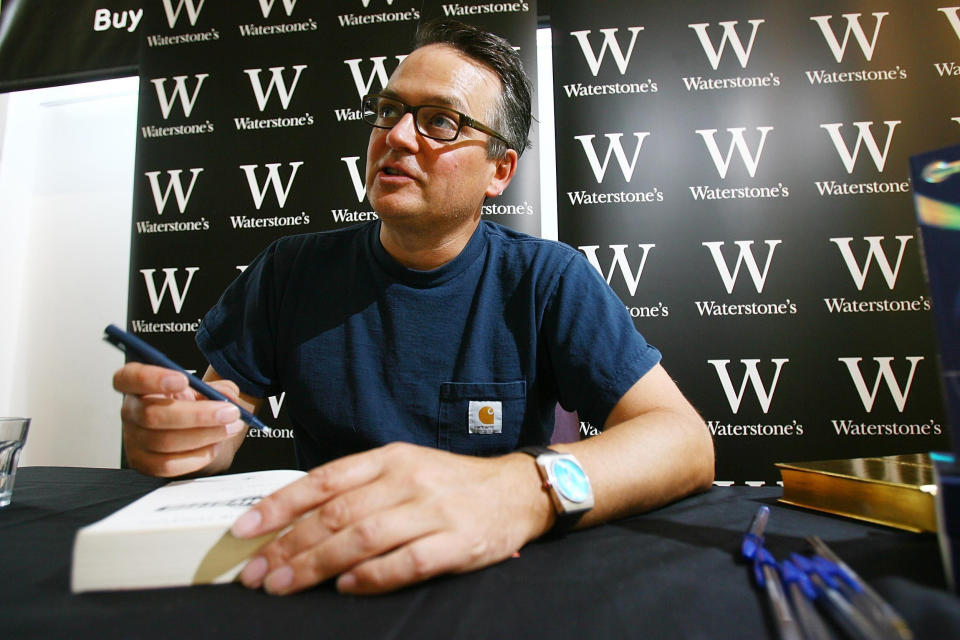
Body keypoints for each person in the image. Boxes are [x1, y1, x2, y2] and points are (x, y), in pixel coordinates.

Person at [113, 19, 714, 596]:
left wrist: (520, 490)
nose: (396, 137)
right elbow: (222, 422)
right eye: (389, 112)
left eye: (440, 122)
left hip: (494, 584)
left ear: (499, 171)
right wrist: (186, 438)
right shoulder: (289, 270)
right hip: (327, 578)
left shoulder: (545, 279)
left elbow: (683, 441)